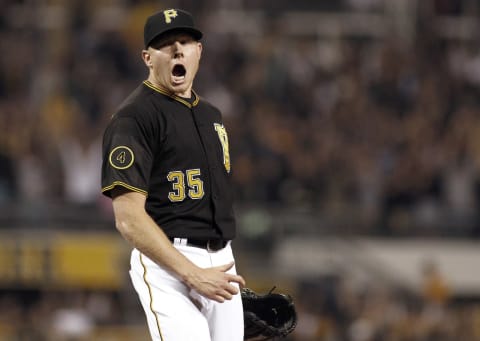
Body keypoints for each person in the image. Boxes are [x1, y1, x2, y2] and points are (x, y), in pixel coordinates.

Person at [101, 8, 246, 341]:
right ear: (147, 58)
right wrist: (193, 274)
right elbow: (128, 219)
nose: (177, 49)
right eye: (165, 44)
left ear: (199, 51)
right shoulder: (133, 118)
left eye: (185, 41)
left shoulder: (212, 115)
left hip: (222, 261)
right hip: (168, 264)